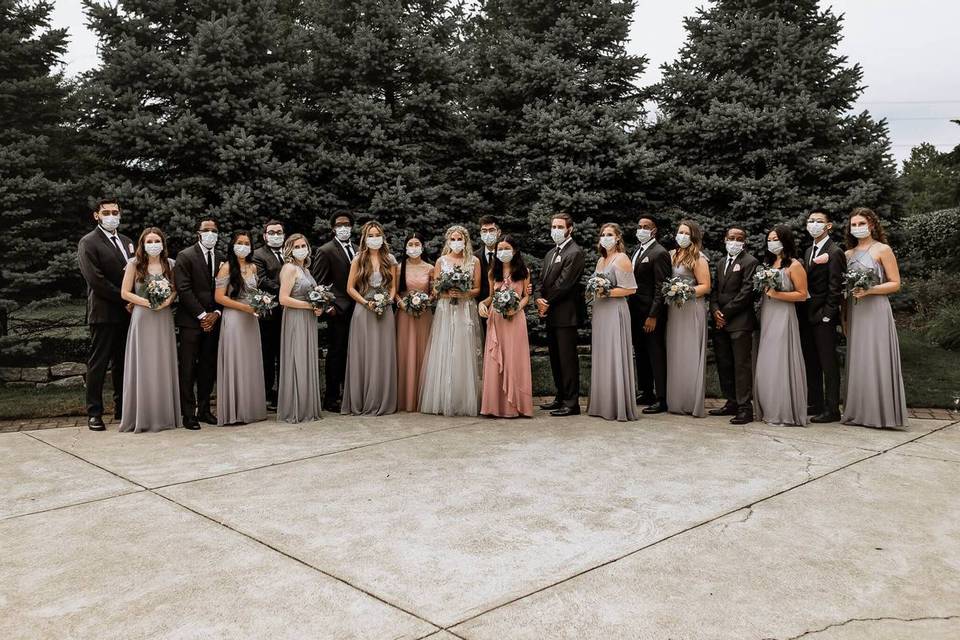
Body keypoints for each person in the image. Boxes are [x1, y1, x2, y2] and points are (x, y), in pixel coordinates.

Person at [842, 208, 907, 428]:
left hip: (876, 309)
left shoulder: (883, 249)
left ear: (871, 224)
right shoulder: (848, 254)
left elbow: (895, 283)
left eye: (861, 223)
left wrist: (869, 290)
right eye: (854, 225)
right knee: (859, 359)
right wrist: (844, 319)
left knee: (876, 356)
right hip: (856, 310)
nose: (857, 228)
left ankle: (881, 414)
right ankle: (859, 413)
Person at [77, 199, 134, 431]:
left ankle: (122, 408)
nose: (112, 216)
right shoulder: (88, 242)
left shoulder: (128, 242)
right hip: (104, 312)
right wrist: (126, 297)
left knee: (122, 363)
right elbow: (95, 280)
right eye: (106, 212)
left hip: (128, 314)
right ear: (96, 216)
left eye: (115, 212)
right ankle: (94, 412)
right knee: (98, 363)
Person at [118, 228, 181, 433]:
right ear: (142, 244)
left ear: (163, 243)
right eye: (149, 241)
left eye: (157, 240)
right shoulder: (134, 264)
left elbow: (175, 290)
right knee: (143, 362)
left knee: (162, 360)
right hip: (142, 317)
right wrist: (148, 302)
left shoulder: (170, 264)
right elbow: (125, 293)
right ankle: (142, 415)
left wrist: (166, 302)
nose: (153, 244)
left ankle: (164, 414)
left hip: (163, 317)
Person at [419, 225, 484, 416]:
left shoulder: (474, 261)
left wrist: (464, 292)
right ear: (448, 242)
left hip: (466, 309)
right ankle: (443, 398)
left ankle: (463, 399)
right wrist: (447, 290)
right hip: (446, 309)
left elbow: (478, 289)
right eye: (453, 239)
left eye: (460, 239)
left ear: (465, 241)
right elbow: (436, 288)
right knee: (446, 349)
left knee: (464, 350)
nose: (456, 242)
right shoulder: (441, 261)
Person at [342, 221, 399, 416]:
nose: (375, 239)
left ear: (383, 237)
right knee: (364, 354)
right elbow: (349, 288)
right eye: (371, 236)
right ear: (365, 239)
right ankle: (362, 399)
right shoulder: (358, 259)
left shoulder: (389, 259)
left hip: (385, 312)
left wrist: (387, 302)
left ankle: (382, 398)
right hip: (363, 310)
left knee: (382, 353)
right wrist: (367, 304)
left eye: (378, 235)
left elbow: (393, 287)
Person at [755, 225, 809, 426]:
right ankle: (769, 407)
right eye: (769, 239)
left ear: (785, 240)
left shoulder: (794, 265)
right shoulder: (769, 264)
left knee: (780, 360)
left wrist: (777, 294)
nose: (772, 243)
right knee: (768, 361)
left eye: (775, 238)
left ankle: (784, 411)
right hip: (768, 314)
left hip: (783, 315)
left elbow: (802, 295)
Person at [214, 231, 267, 426]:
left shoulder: (253, 267)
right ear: (233, 245)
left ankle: (251, 408)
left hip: (251, 320)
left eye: (247, 243)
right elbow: (219, 297)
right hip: (235, 318)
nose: (243, 246)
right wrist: (244, 307)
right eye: (240, 243)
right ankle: (235, 409)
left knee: (250, 360)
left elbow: (255, 293)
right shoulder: (227, 267)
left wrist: (260, 304)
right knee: (236, 359)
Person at [587, 224, 638, 421]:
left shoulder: (622, 258)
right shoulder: (601, 259)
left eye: (609, 235)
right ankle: (602, 403)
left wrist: (606, 292)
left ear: (618, 238)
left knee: (614, 353)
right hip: (600, 310)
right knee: (602, 354)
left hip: (615, 310)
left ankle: (617, 405)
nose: (605, 237)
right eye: (602, 235)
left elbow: (630, 289)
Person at [478, 235, 533, 418]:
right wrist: (482, 304)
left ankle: (516, 405)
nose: (502, 252)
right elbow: (492, 297)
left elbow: (526, 295)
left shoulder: (523, 271)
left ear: (515, 250)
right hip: (497, 319)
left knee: (514, 359)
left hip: (515, 319)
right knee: (496, 360)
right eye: (499, 249)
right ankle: (495, 405)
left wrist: (517, 307)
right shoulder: (493, 272)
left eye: (506, 248)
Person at [536, 213, 586, 417]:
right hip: (550, 314)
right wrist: (538, 298)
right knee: (555, 358)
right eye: (553, 226)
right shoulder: (550, 253)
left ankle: (571, 402)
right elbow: (541, 280)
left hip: (566, 314)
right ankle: (560, 396)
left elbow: (564, 284)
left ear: (570, 229)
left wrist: (546, 302)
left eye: (559, 227)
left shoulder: (575, 253)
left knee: (567, 359)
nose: (555, 230)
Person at [174, 218, 222, 429]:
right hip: (191, 322)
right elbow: (183, 289)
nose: (210, 233)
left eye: (214, 230)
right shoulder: (185, 256)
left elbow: (225, 290)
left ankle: (204, 410)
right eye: (206, 230)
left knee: (207, 367)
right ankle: (188, 414)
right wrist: (202, 315)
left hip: (214, 321)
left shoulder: (221, 257)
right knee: (187, 369)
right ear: (198, 233)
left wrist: (216, 313)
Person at [709, 227, 759, 425]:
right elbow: (714, 291)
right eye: (731, 238)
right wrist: (715, 311)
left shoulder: (750, 262)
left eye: (739, 239)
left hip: (740, 321)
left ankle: (745, 408)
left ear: (744, 242)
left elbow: (747, 292)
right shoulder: (721, 262)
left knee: (741, 366)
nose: (735, 241)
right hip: (720, 322)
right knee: (724, 364)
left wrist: (726, 313)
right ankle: (731, 402)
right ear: (725, 239)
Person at [798, 209, 845, 423]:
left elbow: (836, 287)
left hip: (823, 317)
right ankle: (815, 402)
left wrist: (828, 314)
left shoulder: (835, 252)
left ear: (829, 226)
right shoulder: (809, 251)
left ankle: (832, 408)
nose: (813, 224)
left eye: (818, 221)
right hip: (808, 315)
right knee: (812, 361)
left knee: (828, 363)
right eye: (810, 221)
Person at [312, 212, 357, 413]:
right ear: (333, 228)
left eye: (347, 224)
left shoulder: (358, 250)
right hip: (337, 310)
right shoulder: (326, 250)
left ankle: (350, 393)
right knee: (336, 353)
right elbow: (319, 282)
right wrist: (328, 307)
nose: (344, 228)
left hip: (358, 309)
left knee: (353, 353)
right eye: (339, 225)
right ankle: (331, 397)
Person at [665, 221, 710, 418]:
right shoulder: (671, 255)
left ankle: (690, 400)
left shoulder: (698, 258)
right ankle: (675, 400)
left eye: (686, 233)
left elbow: (705, 286)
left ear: (693, 237)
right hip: (675, 311)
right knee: (675, 352)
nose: (681, 235)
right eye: (679, 232)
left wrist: (685, 291)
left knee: (689, 353)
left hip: (691, 308)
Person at [628, 215, 671, 414]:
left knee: (655, 353)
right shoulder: (637, 250)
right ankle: (646, 391)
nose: (642, 229)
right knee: (641, 352)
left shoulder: (659, 253)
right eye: (640, 226)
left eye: (647, 226)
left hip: (651, 314)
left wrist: (653, 315)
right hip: (635, 311)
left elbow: (661, 286)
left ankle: (661, 398)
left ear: (654, 230)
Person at [277, 234, 323, 423]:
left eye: (304, 245)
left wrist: (319, 306)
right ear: (290, 249)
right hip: (295, 317)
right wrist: (309, 306)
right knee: (297, 358)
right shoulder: (289, 268)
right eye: (297, 246)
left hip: (308, 319)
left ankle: (307, 405)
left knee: (306, 357)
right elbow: (283, 299)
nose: (302, 248)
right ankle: (296, 407)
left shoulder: (305, 269)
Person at [395, 232, 434, 412]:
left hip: (423, 315)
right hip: (404, 315)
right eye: (410, 244)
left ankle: (422, 397)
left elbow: (435, 291)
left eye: (417, 244)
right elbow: (393, 291)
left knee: (423, 351)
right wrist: (401, 303)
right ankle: (404, 398)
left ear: (422, 246)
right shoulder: (398, 267)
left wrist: (427, 301)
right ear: (405, 247)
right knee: (404, 352)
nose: (413, 247)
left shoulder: (431, 268)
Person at [252, 220, 285, 410]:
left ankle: (283, 392)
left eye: (279, 232)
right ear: (265, 235)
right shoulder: (258, 255)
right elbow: (262, 280)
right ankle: (266, 394)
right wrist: (286, 291)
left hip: (288, 313)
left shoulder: (289, 253)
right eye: (271, 232)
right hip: (269, 314)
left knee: (284, 354)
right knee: (267, 355)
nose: (275, 235)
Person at [477, 216, 500, 335]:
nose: (488, 234)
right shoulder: (474, 257)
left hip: (502, 308)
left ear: (498, 232)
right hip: (480, 309)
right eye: (484, 231)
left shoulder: (506, 253)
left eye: (491, 230)